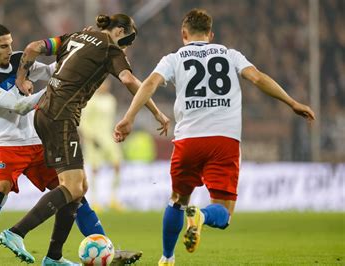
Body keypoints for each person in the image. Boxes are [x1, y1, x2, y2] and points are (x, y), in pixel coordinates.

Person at [113, 9, 316, 266]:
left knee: (177, 200)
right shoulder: (230, 55)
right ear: (211, 34)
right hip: (224, 140)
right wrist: (292, 102)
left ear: (183, 34)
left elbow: (150, 84)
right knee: (223, 214)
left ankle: (167, 257)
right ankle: (200, 216)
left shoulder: (174, 58)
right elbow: (257, 78)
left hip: (188, 140)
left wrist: (129, 117)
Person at [0, 14, 169, 265]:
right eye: (129, 40)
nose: (128, 46)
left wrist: (22, 78)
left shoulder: (73, 36)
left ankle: (54, 257)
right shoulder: (110, 48)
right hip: (61, 117)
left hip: (45, 113)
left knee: (79, 188)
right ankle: (16, 232)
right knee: (73, 187)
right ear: (120, 30)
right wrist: (156, 112)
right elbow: (130, 80)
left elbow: (34, 47)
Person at [0, 23, 138, 266]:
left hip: (39, 140)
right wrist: (57, 92)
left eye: (11, 43)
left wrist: (80, 52)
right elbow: (19, 106)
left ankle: (97, 250)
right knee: (0, 189)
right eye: (3, 46)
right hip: (9, 144)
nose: (10, 49)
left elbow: (50, 71)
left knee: (74, 192)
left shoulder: (18, 61)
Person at [79, 78, 124, 210]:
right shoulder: (90, 100)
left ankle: (113, 199)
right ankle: (95, 201)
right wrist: (90, 137)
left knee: (117, 164)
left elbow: (110, 121)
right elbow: (83, 122)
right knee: (94, 170)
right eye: (102, 83)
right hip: (94, 139)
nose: (105, 86)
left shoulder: (111, 100)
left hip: (108, 138)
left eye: (106, 83)